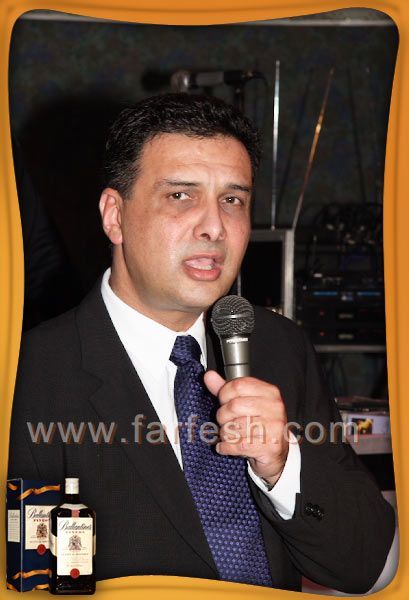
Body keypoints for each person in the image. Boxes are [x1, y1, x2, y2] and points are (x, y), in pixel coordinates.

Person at [8, 93, 395, 592]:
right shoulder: (30, 372)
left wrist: (283, 465)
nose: (215, 227)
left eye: (232, 200)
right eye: (180, 195)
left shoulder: (279, 347)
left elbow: (371, 567)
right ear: (114, 215)